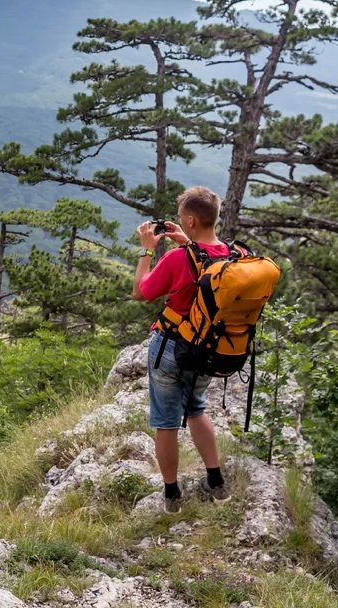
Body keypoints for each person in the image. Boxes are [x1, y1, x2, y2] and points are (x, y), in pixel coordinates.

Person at [131, 186, 230, 513]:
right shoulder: (232, 256)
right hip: (207, 348)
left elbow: (141, 292)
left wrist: (147, 251)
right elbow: (205, 271)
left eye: (180, 219)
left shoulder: (176, 259)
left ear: (189, 219)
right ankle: (216, 481)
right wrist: (187, 242)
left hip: (171, 347)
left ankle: (172, 495)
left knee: (166, 421)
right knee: (196, 408)